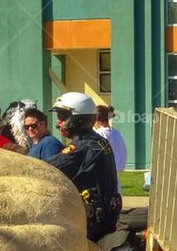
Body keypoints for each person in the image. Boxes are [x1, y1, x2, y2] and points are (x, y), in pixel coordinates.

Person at [47, 92, 122, 242]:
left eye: (63, 116)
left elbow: (46, 169)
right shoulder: (97, 140)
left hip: (92, 225)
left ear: (78, 118)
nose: (59, 122)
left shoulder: (82, 147)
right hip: (104, 217)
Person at [94, 105, 127, 193]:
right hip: (115, 172)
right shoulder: (116, 133)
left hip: (104, 173)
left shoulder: (98, 134)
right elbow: (123, 151)